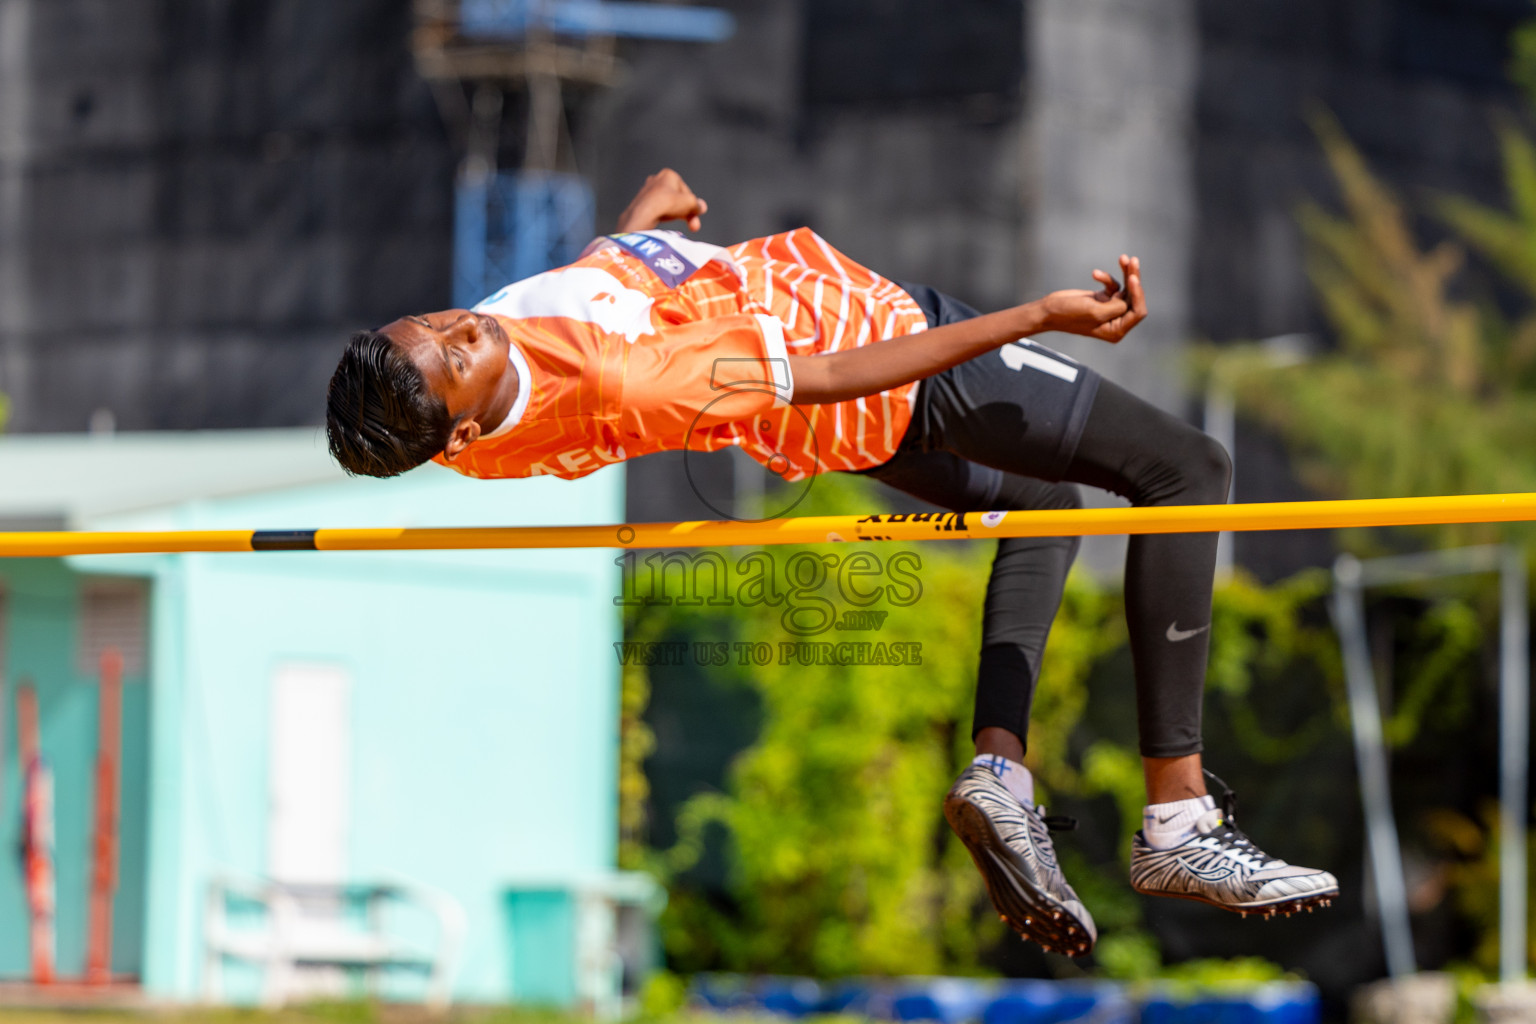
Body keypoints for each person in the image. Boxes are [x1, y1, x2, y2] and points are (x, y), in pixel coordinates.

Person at [326, 169, 1337, 958]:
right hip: (872, 346)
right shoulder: (629, 382)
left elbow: (584, 295)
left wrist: (642, 227)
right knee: (1185, 468)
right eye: (458, 352)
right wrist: (1034, 317)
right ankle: (1177, 816)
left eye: (440, 322)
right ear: (456, 433)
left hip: (813, 381)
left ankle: (1001, 773)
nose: (467, 326)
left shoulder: (471, 402)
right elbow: (828, 375)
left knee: (1041, 507)